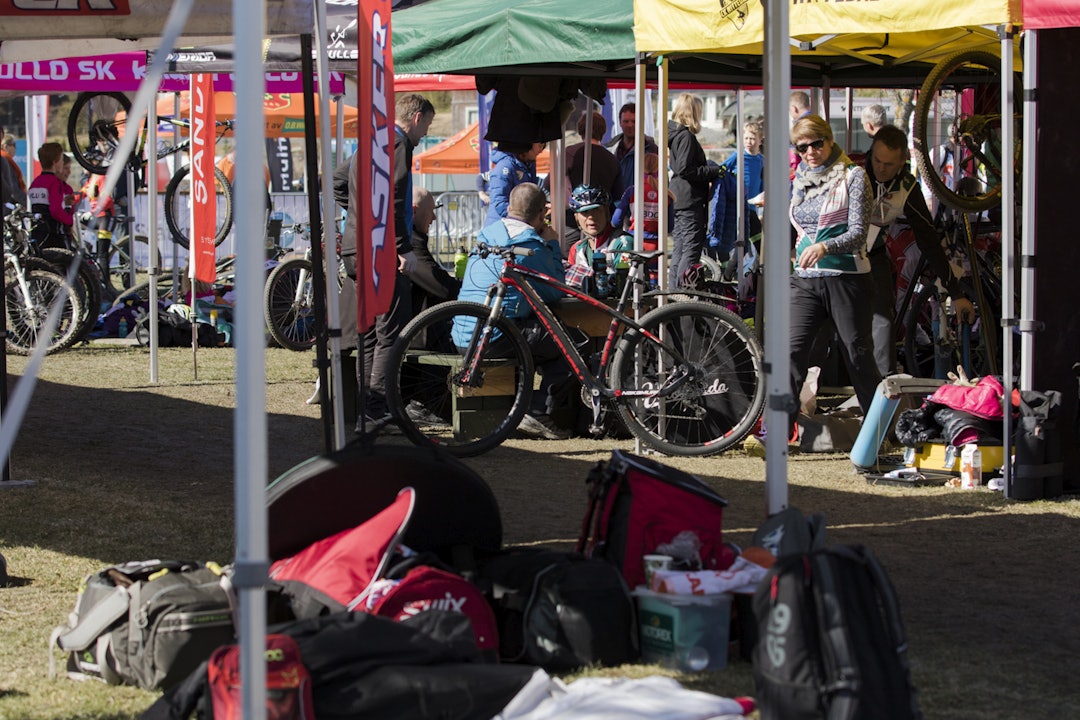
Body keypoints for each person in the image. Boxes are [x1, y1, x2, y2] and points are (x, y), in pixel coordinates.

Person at [336, 93, 434, 433]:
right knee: (389, 333)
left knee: (368, 334)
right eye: (427, 125)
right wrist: (402, 247)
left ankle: (368, 412)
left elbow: (336, 180)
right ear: (417, 118)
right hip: (381, 252)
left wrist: (358, 214)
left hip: (355, 250)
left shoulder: (370, 143)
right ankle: (376, 410)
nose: (425, 134)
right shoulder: (398, 143)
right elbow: (393, 197)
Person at [454, 182, 571, 440]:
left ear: (508, 208)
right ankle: (538, 412)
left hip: (462, 332)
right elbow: (555, 290)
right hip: (494, 338)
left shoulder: (486, 236)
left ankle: (522, 407)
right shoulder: (531, 245)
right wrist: (552, 244)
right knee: (570, 343)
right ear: (542, 214)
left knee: (533, 334)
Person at [788, 115, 881, 428]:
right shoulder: (799, 179)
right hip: (805, 280)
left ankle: (878, 430)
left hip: (847, 278)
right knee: (791, 352)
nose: (810, 152)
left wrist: (824, 248)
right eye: (802, 148)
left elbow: (858, 233)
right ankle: (778, 431)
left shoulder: (854, 176)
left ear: (830, 140)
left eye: (816, 144)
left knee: (858, 356)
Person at [864, 124, 976, 375]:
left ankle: (884, 385)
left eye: (889, 164)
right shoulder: (853, 170)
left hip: (872, 255)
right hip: (834, 256)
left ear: (902, 161)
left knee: (883, 320)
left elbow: (928, 239)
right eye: (877, 160)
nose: (881, 168)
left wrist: (955, 292)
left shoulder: (907, 186)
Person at [667, 93, 723, 288]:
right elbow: (685, 169)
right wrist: (713, 171)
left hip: (679, 197)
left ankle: (673, 292)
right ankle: (683, 291)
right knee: (690, 249)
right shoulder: (686, 137)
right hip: (689, 198)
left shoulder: (675, 135)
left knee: (680, 248)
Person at [565, 185, 631, 299]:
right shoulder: (577, 249)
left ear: (607, 213)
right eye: (585, 212)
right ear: (576, 218)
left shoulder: (623, 243)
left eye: (597, 210)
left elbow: (625, 287)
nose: (591, 217)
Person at [410, 185, 460, 317]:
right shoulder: (410, 243)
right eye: (431, 211)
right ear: (413, 211)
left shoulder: (413, 238)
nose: (434, 218)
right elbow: (441, 286)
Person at [611, 152, 672, 254]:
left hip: (633, 242)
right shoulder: (667, 194)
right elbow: (669, 227)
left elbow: (615, 221)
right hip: (657, 245)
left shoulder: (632, 191)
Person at [566, 111, 622, 208]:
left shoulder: (570, 153)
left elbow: (548, 183)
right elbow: (618, 195)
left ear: (581, 129)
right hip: (602, 213)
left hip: (574, 212)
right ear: (603, 131)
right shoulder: (613, 160)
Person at [605, 102, 658, 199]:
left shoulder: (652, 150)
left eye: (634, 121)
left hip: (641, 203)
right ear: (620, 123)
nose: (630, 125)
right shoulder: (610, 149)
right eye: (626, 121)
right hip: (615, 203)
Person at [27, 142, 75, 249]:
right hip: (53, 233)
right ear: (55, 162)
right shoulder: (55, 182)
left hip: (36, 232)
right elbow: (55, 210)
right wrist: (69, 221)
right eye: (61, 160)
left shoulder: (35, 182)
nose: (62, 163)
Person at [484, 140, 544, 226]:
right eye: (540, 145)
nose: (541, 150)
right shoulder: (505, 166)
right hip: (502, 227)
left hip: (519, 224)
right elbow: (500, 203)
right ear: (526, 145)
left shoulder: (529, 165)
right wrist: (527, 218)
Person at [1, 133, 27, 206]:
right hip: (7, 206)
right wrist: (26, 202)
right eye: (14, 145)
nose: (15, 149)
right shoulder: (5, 161)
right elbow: (13, 188)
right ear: (6, 147)